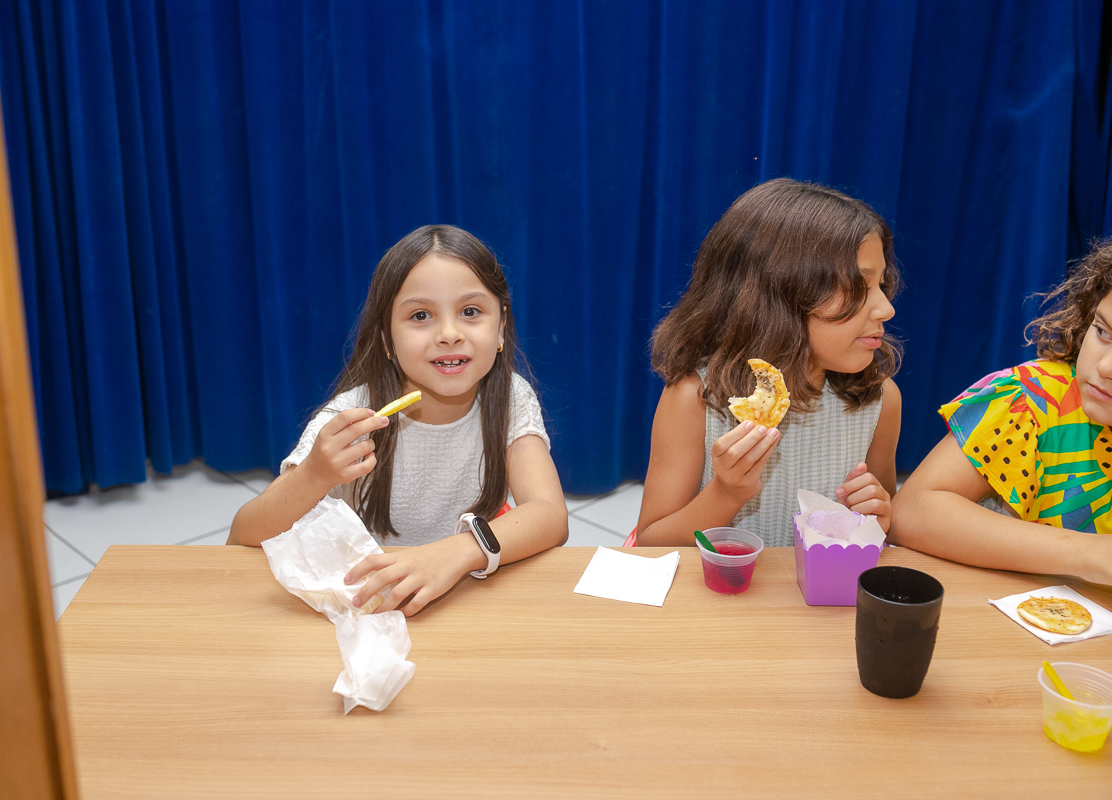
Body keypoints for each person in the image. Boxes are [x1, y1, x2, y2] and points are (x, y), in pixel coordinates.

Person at [228, 225, 568, 614]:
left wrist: (455, 552)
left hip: (467, 594)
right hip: (371, 602)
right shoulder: (352, 415)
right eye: (421, 315)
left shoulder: (511, 396)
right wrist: (315, 474)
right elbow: (243, 535)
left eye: (470, 312)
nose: (449, 334)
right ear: (387, 340)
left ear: (501, 326)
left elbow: (550, 515)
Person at [636, 178, 902, 548]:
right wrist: (727, 492)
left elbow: (878, 520)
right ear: (780, 296)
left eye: (882, 285)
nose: (887, 308)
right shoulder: (695, 399)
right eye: (860, 286)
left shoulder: (879, 400)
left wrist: (879, 517)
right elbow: (653, 543)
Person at [890, 240, 1112, 585]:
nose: (1105, 365)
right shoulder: (1034, 398)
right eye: (1102, 332)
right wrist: (1088, 554)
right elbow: (911, 511)